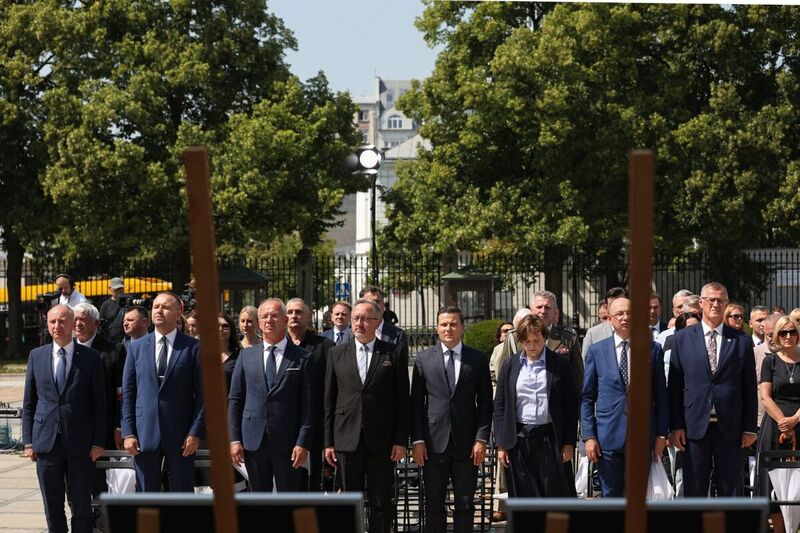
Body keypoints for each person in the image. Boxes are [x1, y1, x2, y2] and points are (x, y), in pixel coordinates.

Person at [325, 299, 410, 533]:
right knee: (348, 502)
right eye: (356, 318)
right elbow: (329, 401)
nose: (359, 323)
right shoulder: (336, 353)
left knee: (381, 502)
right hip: (346, 439)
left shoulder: (391, 353)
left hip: (381, 441)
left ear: (377, 322)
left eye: (365, 319)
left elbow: (403, 400)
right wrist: (328, 443)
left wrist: (401, 440)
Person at [668, 282, 758, 496]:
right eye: (711, 300)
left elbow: (748, 386)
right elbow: (675, 386)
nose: (715, 304)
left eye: (720, 300)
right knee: (695, 489)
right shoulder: (681, 339)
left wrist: (749, 428)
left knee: (731, 489)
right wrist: (676, 426)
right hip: (694, 428)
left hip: (730, 428)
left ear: (726, 304)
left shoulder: (741, 340)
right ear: (701, 303)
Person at [22, 305, 106, 533]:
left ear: (72, 324)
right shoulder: (36, 356)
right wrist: (28, 441)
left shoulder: (90, 358)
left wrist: (98, 442)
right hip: (46, 443)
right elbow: (29, 402)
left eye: (61, 321)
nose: (56, 326)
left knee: (81, 507)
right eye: (52, 322)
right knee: (53, 506)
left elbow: (99, 403)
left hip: (80, 444)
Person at [410, 306, 492, 533]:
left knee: (465, 504)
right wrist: (417, 440)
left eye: (453, 324)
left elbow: (486, 403)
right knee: (433, 504)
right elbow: (416, 405)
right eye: (444, 324)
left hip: (467, 444)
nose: (449, 328)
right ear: (437, 328)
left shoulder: (477, 359)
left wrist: (481, 439)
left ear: (462, 327)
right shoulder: (424, 359)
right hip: (432, 444)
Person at [580, 297, 669, 496]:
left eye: (629, 312)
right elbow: (587, 397)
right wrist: (589, 436)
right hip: (607, 437)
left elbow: (661, 396)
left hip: (642, 435)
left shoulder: (652, 350)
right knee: (610, 496)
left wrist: (661, 435)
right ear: (610, 319)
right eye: (619, 313)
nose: (625, 317)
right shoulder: (597, 351)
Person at [121, 292, 205, 492]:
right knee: (146, 492)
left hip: (181, 434)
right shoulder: (137, 347)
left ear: (178, 314)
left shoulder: (193, 348)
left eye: (165, 307)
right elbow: (128, 393)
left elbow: (204, 395)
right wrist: (128, 432)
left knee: (182, 493)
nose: (159, 311)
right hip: (144, 433)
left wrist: (195, 432)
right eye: (156, 307)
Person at [229, 298, 314, 492]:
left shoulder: (302, 358)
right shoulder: (246, 356)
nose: (269, 320)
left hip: (288, 443)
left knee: (287, 499)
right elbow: (235, 400)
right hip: (253, 442)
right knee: (259, 501)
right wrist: (234, 440)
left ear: (285, 321)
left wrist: (303, 443)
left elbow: (309, 404)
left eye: (274, 316)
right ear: (259, 323)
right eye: (264, 316)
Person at [493, 314, 577, 497]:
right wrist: (501, 444)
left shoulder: (560, 364)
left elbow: (571, 406)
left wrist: (569, 443)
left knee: (554, 495)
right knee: (524, 496)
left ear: (544, 338)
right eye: (527, 341)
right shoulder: (510, 365)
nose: (532, 346)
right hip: (519, 439)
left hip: (550, 438)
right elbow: (500, 405)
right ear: (521, 341)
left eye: (536, 340)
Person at [286, 297, 335, 491]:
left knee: (315, 482)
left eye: (298, 312)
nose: (293, 316)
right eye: (289, 312)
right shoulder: (277, 345)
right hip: (285, 425)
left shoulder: (325, 346)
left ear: (309, 317)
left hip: (316, 424)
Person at [758, 316, 800, 533]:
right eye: (783, 333)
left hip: (799, 423)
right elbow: (765, 397)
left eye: (792, 331)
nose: (788, 336)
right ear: (776, 336)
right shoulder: (770, 361)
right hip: (774, 429)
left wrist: (795, 420)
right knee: (773, 487)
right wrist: (784, 422)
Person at [530, 290, 584, 397]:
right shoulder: (516, 338)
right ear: (531, 311)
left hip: (559, 402)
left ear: (555, 312)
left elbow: (578, 378)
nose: (543, 311)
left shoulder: (569, 338)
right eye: (539, 307)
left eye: (547, 307)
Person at [359, 285, 408, 362]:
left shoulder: (398, 335)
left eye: (377, 301)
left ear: (383, 304)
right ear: (361, 305)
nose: (375, 305)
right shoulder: (351, 334)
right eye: (370, 302)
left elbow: (401, 368)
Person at [582, 287, 628, 358]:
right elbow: (585, 364)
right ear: (606, 307)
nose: (617, 307)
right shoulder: (593, 334)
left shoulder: (642, 333)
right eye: (612, 304)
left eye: (620, 303)